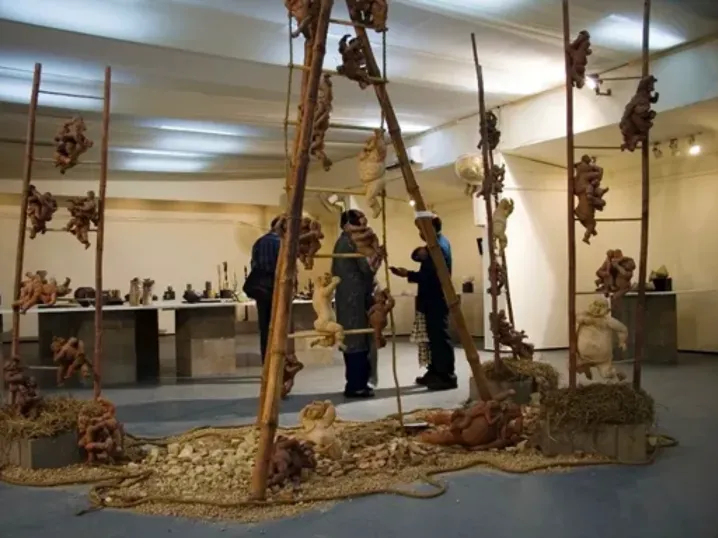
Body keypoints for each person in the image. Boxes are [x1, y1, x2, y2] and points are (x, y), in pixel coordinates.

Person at [390, 213, 457, 391]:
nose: (420, 233)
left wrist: (408, 274)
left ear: (431, 228)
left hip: (436, 299)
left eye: (421, 229)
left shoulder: (438, 247)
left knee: (440, 337)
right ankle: (435, 371)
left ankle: (446, 375)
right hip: (431, 299)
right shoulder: (435, 245)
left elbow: (432, 277)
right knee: (432, 338)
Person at [332, 209, 382, 398]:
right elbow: (367, 268)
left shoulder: (344, 241)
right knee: (357, 340)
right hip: (355, 298)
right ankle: (356, 385)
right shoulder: (351, 242)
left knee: (354, 339)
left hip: (350, 296)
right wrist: (377, 254)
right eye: (360, 222)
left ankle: (357, 382)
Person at [244, 216, 282, 363]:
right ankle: (277, 361)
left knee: (265, 327)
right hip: (276, 288)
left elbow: (253, 264)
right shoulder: (281, 243)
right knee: (278, 327)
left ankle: (266, 361)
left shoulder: (259, 242)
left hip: (260, 289)